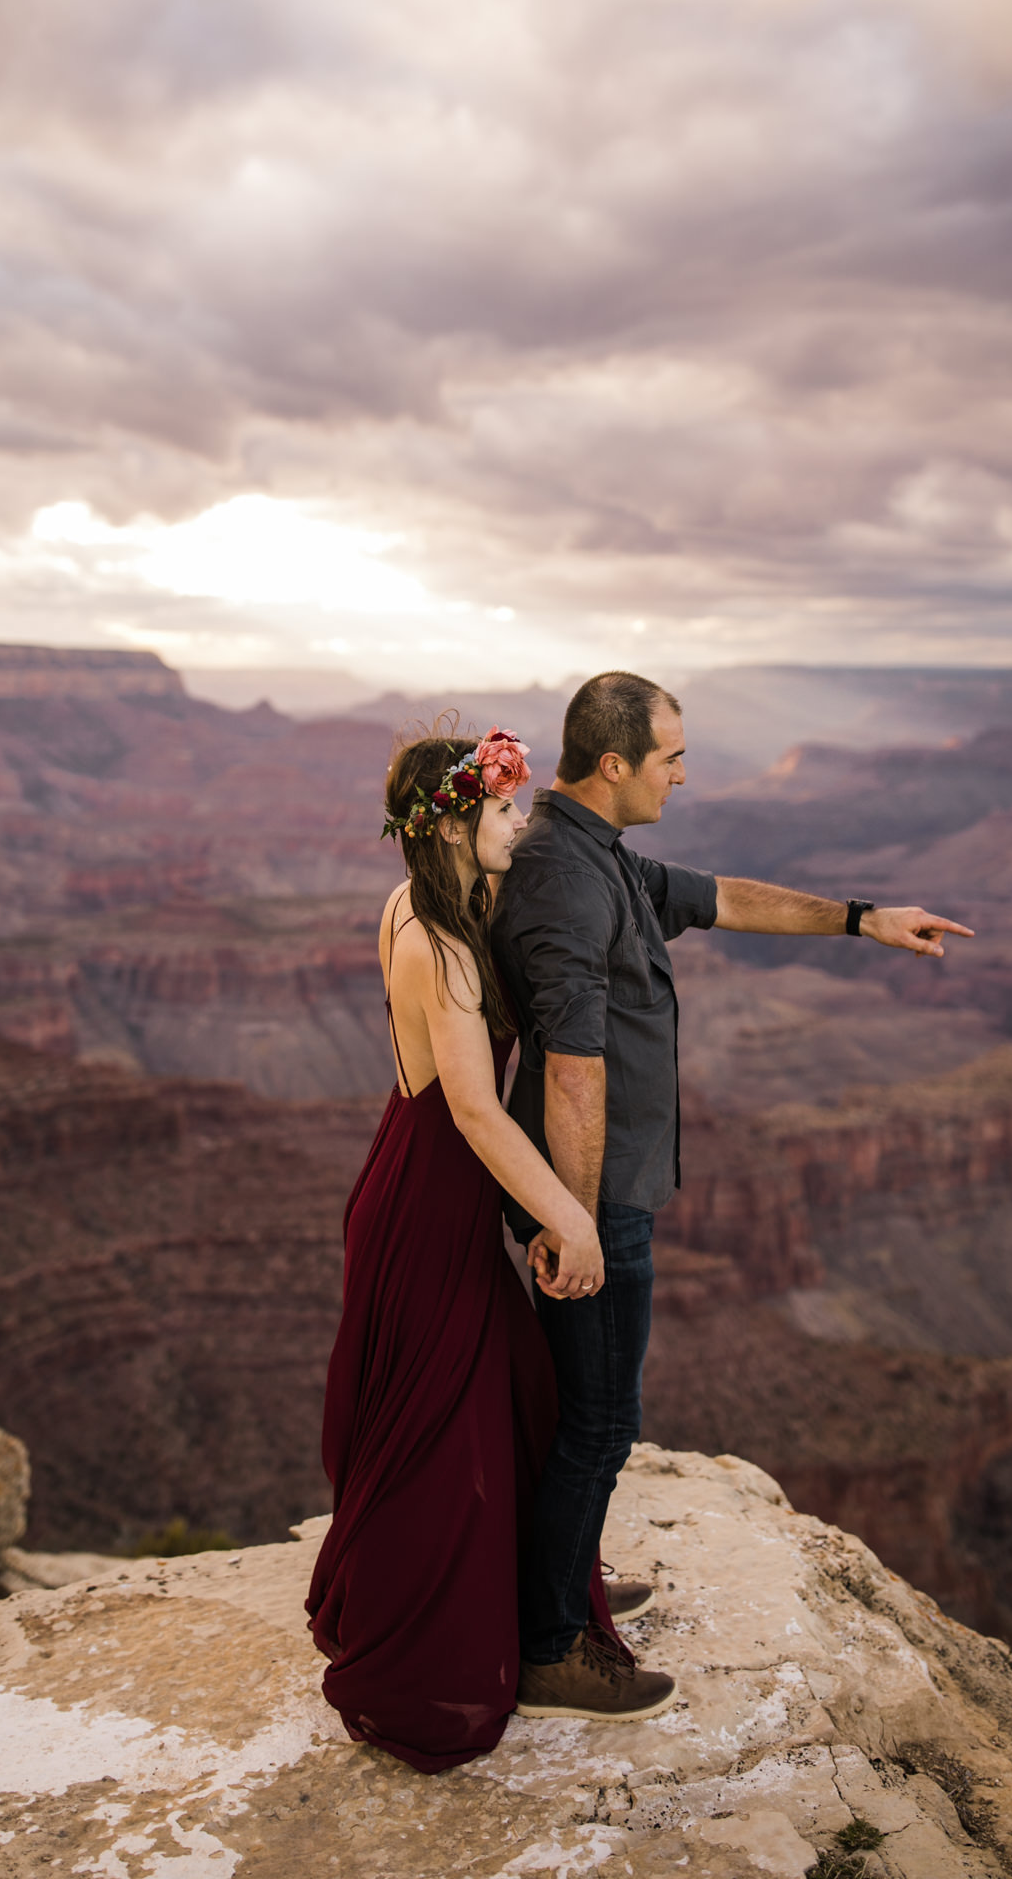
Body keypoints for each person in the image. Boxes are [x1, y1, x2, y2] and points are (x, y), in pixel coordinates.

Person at [492, 672, 974, 1718]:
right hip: (592, 1198)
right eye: (670, 756)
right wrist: (571, 1220)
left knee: (588, 1414)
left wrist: (862, 918)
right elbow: (572, 1068)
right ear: (613, 763)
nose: (681, 772)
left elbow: (722, 898)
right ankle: (546, 1644)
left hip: (605, 1189)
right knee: (598, 1419)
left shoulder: (599, 852)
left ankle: (558, 1581)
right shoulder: (565, 880)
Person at [306, 721, 676, 1777]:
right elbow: (474, 1109)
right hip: (430, 1200)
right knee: (443, 1425)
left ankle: (549, 1582)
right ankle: (439, 1648)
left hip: (415, 1183)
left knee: (510, 1392)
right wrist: (570, 1216)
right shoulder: (440, 943)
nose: (518, 822)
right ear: (461, 823)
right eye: (506, 809)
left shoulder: (421, 905)